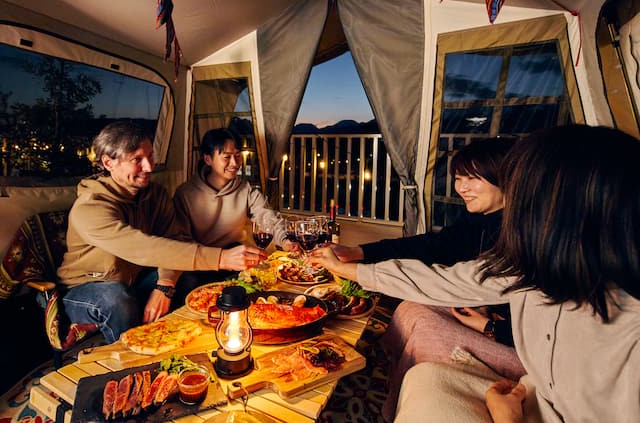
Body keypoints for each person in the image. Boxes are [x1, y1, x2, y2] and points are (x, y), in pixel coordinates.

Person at [309, 124, 640, 422]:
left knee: (426, 328)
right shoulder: (532, 265)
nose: (515, 209)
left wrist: (508, 414)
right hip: (532, 391)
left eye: (523, 194)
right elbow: (445, 266)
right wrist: (357, 262)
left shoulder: (628, 336)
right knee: (421, 360)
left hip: (519, 383)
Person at [328, 137, 523, 421]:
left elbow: (545, 329)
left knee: (427, 332)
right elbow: (431, 245)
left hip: (514, 342)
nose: (461, 188)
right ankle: (397, 386)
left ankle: (406, 403)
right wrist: (360, 252)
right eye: (458, 179)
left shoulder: (523, 235)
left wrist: (490, 327)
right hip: (481, 311)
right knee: (411, 307)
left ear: (505, 177)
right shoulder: (480, 218)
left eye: (472, 179)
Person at [57, 121, 266, 343]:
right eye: (137, 160)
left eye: (150, 156)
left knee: (189, 280)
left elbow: (176, 239)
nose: (149, 167)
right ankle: (131, 356)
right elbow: (143, 247)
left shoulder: (154, 195)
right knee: (116, 299)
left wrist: (165, 284)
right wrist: (221, 258)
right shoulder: (90, 208)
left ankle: (178, 341)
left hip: (134, 280)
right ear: (109, 163)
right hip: (86, 288)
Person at [165, 128, 300, 303]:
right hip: (200, 263)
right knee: (189, 285)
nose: (235, 163)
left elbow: (266, 216)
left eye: (237, 156)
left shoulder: (245, 189)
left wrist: (285, 240)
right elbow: (180, 241)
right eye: (226, 157)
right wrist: (216, 258)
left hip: (234, 260)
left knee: (268, 281)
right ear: (208, 159)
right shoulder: (185, 194)